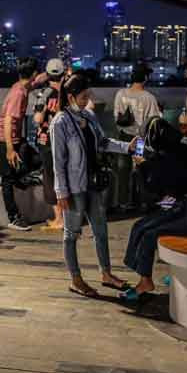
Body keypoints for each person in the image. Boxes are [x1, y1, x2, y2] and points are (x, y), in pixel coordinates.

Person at [51, 73, 134, 298]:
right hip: (74, 188)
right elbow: (58, 162)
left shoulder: (88, 116)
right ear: (70, 97)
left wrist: (128, 147)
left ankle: (106, 274)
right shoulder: (60, 122)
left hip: (93, 184)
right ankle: (76, 279)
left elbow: (104, 142)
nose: (88, 99)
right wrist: (61, 192)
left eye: (88, 95)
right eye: (83, 96)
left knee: (101, 231)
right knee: (71, 235)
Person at [122, 117, 187, 300]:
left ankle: (145, 281)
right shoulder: (183, 149)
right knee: (145, 223)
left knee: (148, 232)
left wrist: (142, 168)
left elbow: (151, 191)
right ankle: (145, 275)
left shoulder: (162, 158)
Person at [0, 57, 45, 231]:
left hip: (15, 140)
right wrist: (10, 149)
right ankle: (13, 218)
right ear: (33, 73)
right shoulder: (18, 93)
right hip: (1, 141)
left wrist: (53, 74)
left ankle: (19, 177)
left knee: (38, 160)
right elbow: (7, 120)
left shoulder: (23, 85)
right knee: (7, 179)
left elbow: (39, 80)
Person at [113, 64, 161, 211]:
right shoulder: (149, 98)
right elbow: (154, 120)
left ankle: (123, 203)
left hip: (123, 137)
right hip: (140, 139)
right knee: (140, 168)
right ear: (145, 78)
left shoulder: (121, 94)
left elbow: (116, 116)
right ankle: (142, 201)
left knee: (122, 170)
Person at [33, 57, 67, 228]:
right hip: (65, 140)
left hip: (47, 141)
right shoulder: (68, 93)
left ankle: (58, 219)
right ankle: (67, 217)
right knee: (63, 176)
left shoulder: (44, 93)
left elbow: (38, 118)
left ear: (47, 74)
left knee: (50, 178)